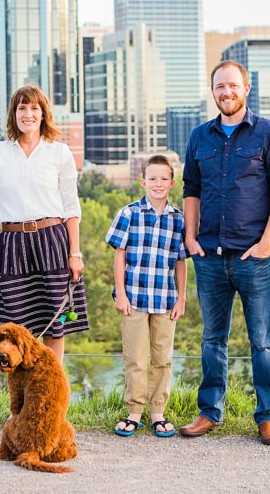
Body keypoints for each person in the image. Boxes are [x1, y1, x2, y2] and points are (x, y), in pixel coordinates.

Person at [180, 60, 270, 445]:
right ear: (212, 92)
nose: (226, 92)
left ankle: (268, 417)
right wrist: (190, 239)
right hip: (208, 256)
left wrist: (266, 243)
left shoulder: (269, 134)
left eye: (232, 86)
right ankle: (210, 411)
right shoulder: (199, 137)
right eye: (219, 87)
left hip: (254, 258)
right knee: (213, 338)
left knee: (262, 340)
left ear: (246, 88)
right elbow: (191, 191)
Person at [0, 85, 87, 362]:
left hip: (52, 239)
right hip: (13, 244)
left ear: (43, 114)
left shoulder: (59, 152)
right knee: (15, 327)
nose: (28, 114)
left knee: (56, 323)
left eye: (34, 108)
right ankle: (22, 399)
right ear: (13, 114)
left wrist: (74, 253)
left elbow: (70, 207)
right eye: (22, 108)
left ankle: (53, 394)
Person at [105, 155, 188, 438]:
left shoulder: (179, 219)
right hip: (134, 300)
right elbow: (120, 256)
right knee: (136, 359)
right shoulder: (129, 214)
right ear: (143, 182)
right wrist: (121, 294)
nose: (158, 184)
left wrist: (182, 298)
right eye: (152, 178)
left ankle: (158, 413)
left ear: (172, 183)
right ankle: (134, 412)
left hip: (165, 300)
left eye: (164, 178)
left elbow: (180, 262)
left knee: (162, 358)